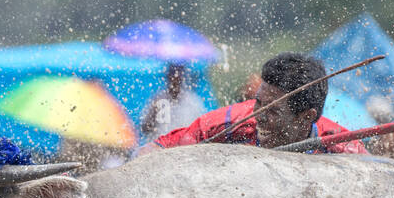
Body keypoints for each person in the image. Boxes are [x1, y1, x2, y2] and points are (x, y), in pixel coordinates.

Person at [139, 52, 368, 155]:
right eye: (258, 102)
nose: (258, 115)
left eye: (273, 110)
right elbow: (156, 150)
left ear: (306, 116)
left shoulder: (342, 147)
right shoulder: (231, 123)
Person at [139, 64, 206, 143]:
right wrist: (153, 114)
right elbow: (144, 129)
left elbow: (200, 130)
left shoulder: (192, 102)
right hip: (161, 146)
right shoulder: (159, 100)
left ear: (183, 79)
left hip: (183, 147)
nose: (175, 81)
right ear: (167, 78)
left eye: (178, 78)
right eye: (172, 78)